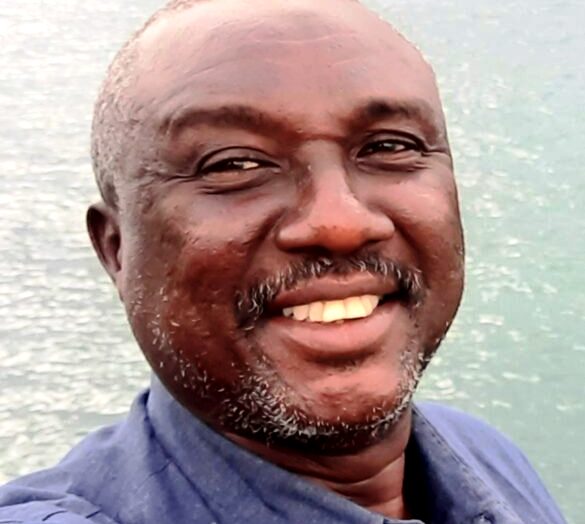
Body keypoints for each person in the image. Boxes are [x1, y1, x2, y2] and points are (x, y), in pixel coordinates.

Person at [0, 0, 567, 522]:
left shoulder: (487, 456)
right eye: (234, 164)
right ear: (116, 249)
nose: (340, 223)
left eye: (390, 146)